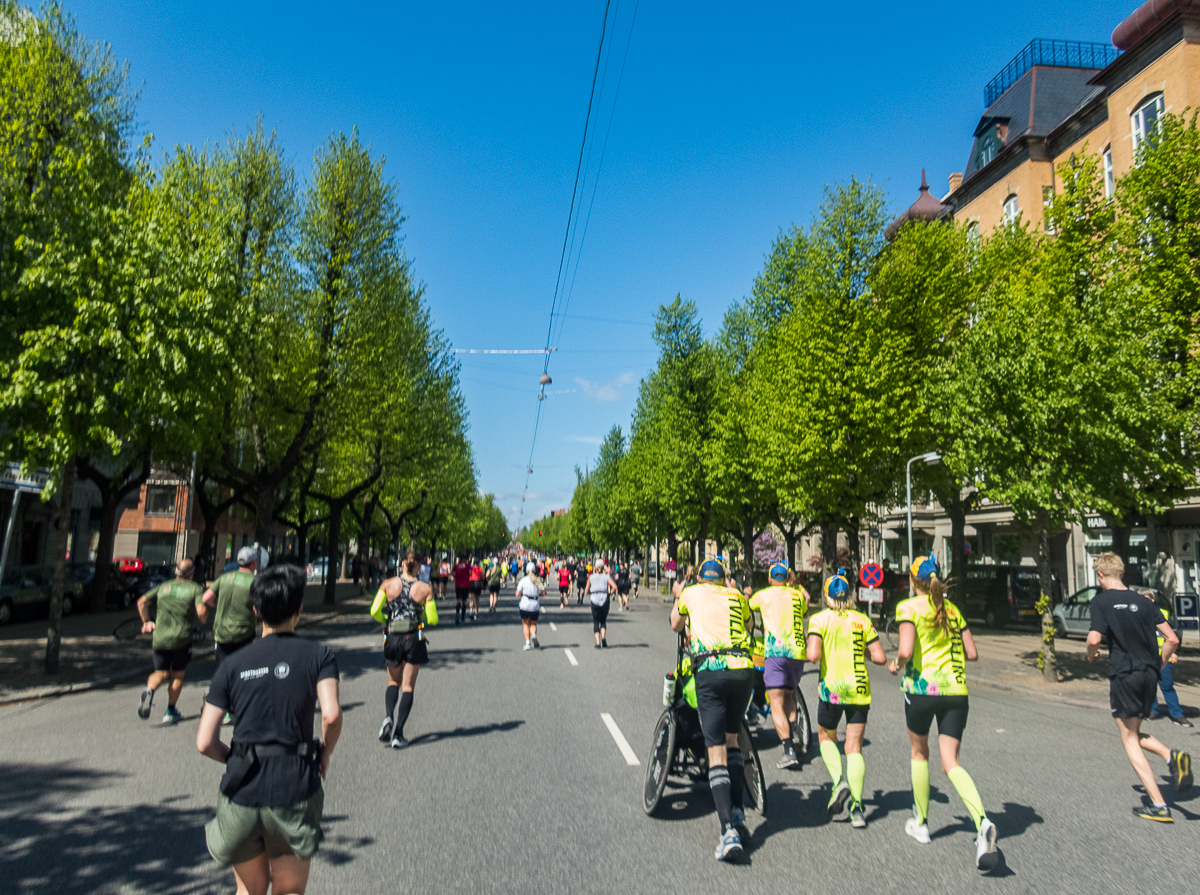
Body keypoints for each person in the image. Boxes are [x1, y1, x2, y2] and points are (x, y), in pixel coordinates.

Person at [197, 564, 342, 895]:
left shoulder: (231, 666)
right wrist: (324, 753)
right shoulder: (319, 656)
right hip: (292, 786)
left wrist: (236, 758)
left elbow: (204, 741)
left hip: (241, 789)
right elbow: (331, 715)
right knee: (288, 889)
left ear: (255, 610)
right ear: (300, 609)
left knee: (249, 891)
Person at [889, 554, 997, 872]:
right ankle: (982, 821)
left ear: (912, 581)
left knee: (919, 754)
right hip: (956, 692)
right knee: (951, 762)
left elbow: (906, 650)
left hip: (922, 691)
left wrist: (897, 663)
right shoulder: (951, 610)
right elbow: (972, 654)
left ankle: (921, 823)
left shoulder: (908, 608)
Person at [1086, 552, 1192, 821]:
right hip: (1148, 674)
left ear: (1100, 575)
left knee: (1129, 738)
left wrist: (1091, 653)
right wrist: (1158, 666)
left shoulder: (1100, 601)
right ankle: (1172, 757)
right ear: (1121, 573)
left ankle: (1158, 804)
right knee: (1134, 730)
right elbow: (1171, 639)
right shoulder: (1144, 602)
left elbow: (1094, 637)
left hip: (1124, 674)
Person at [670, 559, 755, 862]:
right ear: (722, 579)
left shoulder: (691, 593)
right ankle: (738, 812)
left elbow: (675, 625)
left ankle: (727, 831)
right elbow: (748, 625)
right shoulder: (737, 596)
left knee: (715, 749)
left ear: (702, 579)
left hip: (711, 669)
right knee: (732, 740)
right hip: (743, 670)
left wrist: (680, 595)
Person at [807, 569, 887, 828]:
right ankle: (857, 808)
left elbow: (813, 656)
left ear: (827, 596)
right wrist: (859, 651)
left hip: (832, 690)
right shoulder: (862, 619)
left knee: (825, 737)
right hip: (859, 690)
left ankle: (838, 779)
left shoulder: (819, 620)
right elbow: (880, 657)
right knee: (854, 748)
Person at [748, 562, 810, 770]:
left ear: (769, 579)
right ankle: (795, 736)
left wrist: (747, 594)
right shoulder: (797, 595)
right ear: (786, 578)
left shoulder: (764, 595)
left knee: (775, 702)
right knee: (789, 696)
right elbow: (803, 611)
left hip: (775, 652)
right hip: (797, 651)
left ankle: (788, 750)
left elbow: (746, 609)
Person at [370, 553, 433, 749]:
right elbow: (433, 618)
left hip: (391, 638)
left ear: (403, 564)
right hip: (413, 637)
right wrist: (422, 616)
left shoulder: (387, 584)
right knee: (408, 687)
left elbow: (374, 610)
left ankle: (388, 716)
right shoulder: (425, 589)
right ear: (419, 567)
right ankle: (398, 733)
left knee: (392, 682)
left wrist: (387, 621)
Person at [137, 559, 205, 724]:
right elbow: (201, 611)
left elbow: (142, 602)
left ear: (176, 572)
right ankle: (170, 710)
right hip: (181, 639)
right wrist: (202, 620)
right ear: (191, 573)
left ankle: (150, 690)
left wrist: (147, 622)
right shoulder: (195, 588)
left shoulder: (164, 587)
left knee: (160, 673)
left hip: (160, 638)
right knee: (177, 674)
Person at [200, 546, 260, 725]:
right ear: (254, 562)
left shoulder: (224, 578)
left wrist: (217, 604)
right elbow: (258, 608)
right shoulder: (255, 581)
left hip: (221, 634)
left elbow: (206, 598)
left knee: (224, 671)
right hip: (244, 634)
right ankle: (241, 708)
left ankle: (223, 709)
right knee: (244, 672)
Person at [1147, 589, 1192, 727]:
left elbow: (1175, 633)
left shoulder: (1164, 613)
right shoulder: (1136, 615)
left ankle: (1177, 714)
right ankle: (1152, 711)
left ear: (1152, 599)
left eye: (1146, 598)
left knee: (1167, 686)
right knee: (1150, 685)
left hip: (1164, 655)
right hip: (1147, 656)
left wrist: (1174, 651)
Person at [516, 562, 545, 651]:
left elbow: (517, 593)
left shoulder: (523, 580)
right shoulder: (538, 580)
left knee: (525, 624)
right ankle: (533, 635)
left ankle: (527, 643)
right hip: (535, 604)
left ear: (527, 571)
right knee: (533, 623)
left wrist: (523, 594)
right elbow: (544, 593)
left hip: (525, 604)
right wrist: (536, 595)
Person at [588, 561, 617, 649]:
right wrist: (609, 593)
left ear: (595, 567)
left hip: (594, 600)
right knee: (603, 620)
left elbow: (586, 590)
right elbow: (615, 587)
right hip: (604, 599)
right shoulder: (606, 577)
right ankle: (603, 637)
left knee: (596, 621)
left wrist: (590, 593)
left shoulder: (591, 577)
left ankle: (597, 642)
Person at [452, 556, 471, 625]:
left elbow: (453, 573)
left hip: (458, 585)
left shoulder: (456, 566)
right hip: (466, 585)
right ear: (465, 559)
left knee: (458, 600)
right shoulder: (467, 566)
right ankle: (462, 618)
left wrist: (457, 576)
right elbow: (470, 573)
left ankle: (457, 614)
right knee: (464, 601)